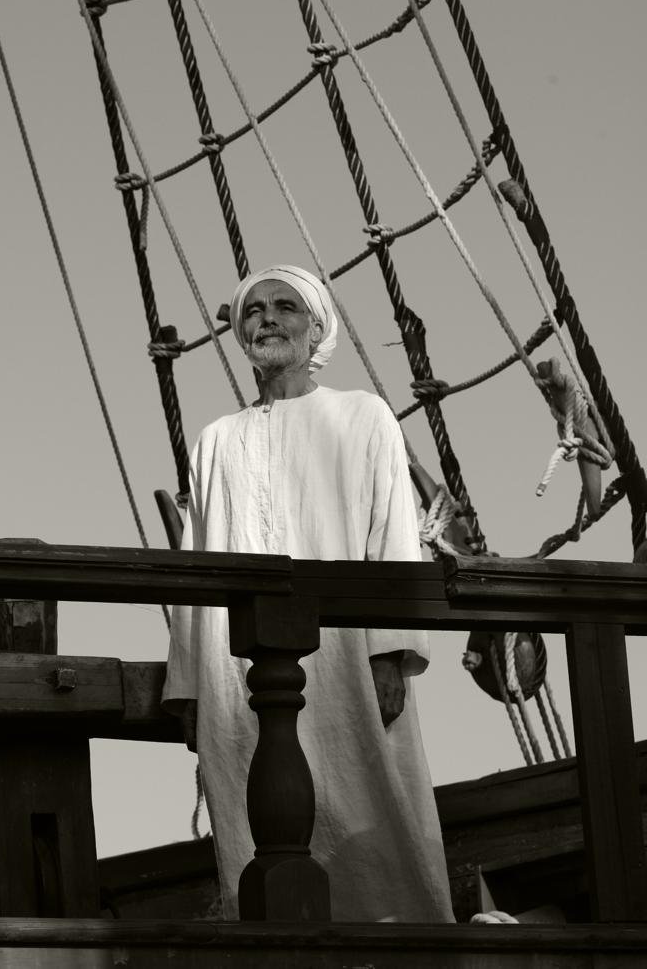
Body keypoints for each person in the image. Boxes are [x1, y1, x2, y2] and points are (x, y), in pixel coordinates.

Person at [162, 264, 453, 923]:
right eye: (254, 310)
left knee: (373, 808)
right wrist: (190, 687)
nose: (267, 318)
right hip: (238, 671)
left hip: (346, 659)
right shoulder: (215, 441)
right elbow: (195, 569)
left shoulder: (363, 415)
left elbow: (392, 536)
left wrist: (391, 652)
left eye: (285, 306)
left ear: (317, 329)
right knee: (253, 816)